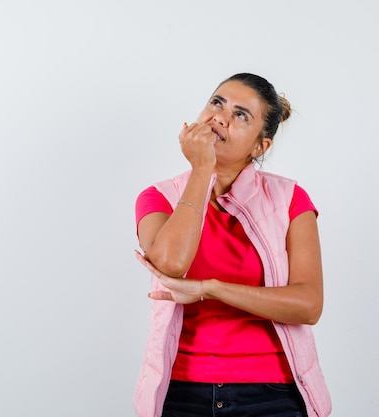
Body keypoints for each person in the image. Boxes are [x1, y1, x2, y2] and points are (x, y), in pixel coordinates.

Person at [133, 73, 331, 417]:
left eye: (241, 115)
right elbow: (170, 264)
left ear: (260, 146)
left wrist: (210, 289)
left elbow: (308, 304)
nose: (220, 117)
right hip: (180, 394)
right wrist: (201, 171)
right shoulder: (158, 197)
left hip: (273, 395)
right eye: (216, 103)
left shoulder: (290, 200)